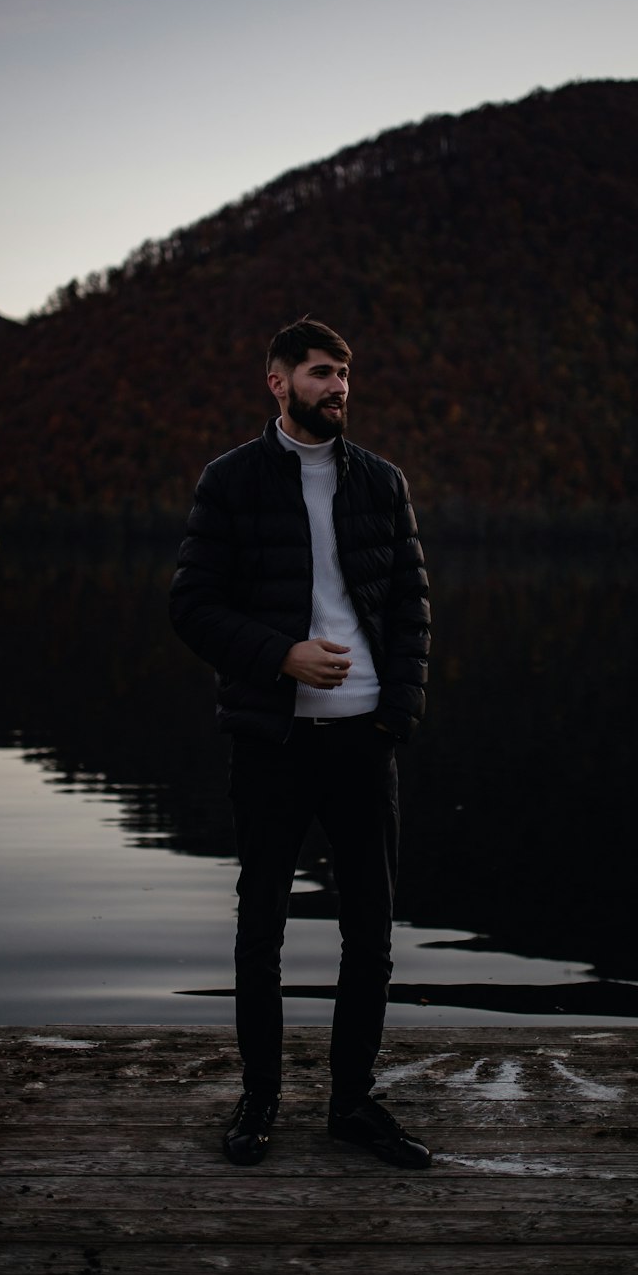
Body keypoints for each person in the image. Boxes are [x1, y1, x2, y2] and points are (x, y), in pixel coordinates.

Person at [169, 317, 431, 1168]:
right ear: (277, 382)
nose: (340, 388)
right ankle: (260, 1101)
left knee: (372, 933)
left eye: (346, 374)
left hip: (364, 742)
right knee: (261, 934)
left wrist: (396, 716)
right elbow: (193, 607)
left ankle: (352, 1105)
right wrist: (280, 655)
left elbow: (410, 614)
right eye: (322, 373)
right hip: (273, 744)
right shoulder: (232, 482)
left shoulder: (382, 485)